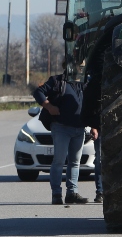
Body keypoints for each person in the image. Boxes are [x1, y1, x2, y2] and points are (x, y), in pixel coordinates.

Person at [33, 73, 98, 205]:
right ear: (67, 65)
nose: (80, 68)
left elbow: (91, 103)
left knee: (75, 162)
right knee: (59, 161)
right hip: (61, 127)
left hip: (79, 129)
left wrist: (93, 126)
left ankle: (72, 193)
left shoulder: (85, 82)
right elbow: (38, 92)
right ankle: (56, 194)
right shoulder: (57, 81)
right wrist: (49, 106)